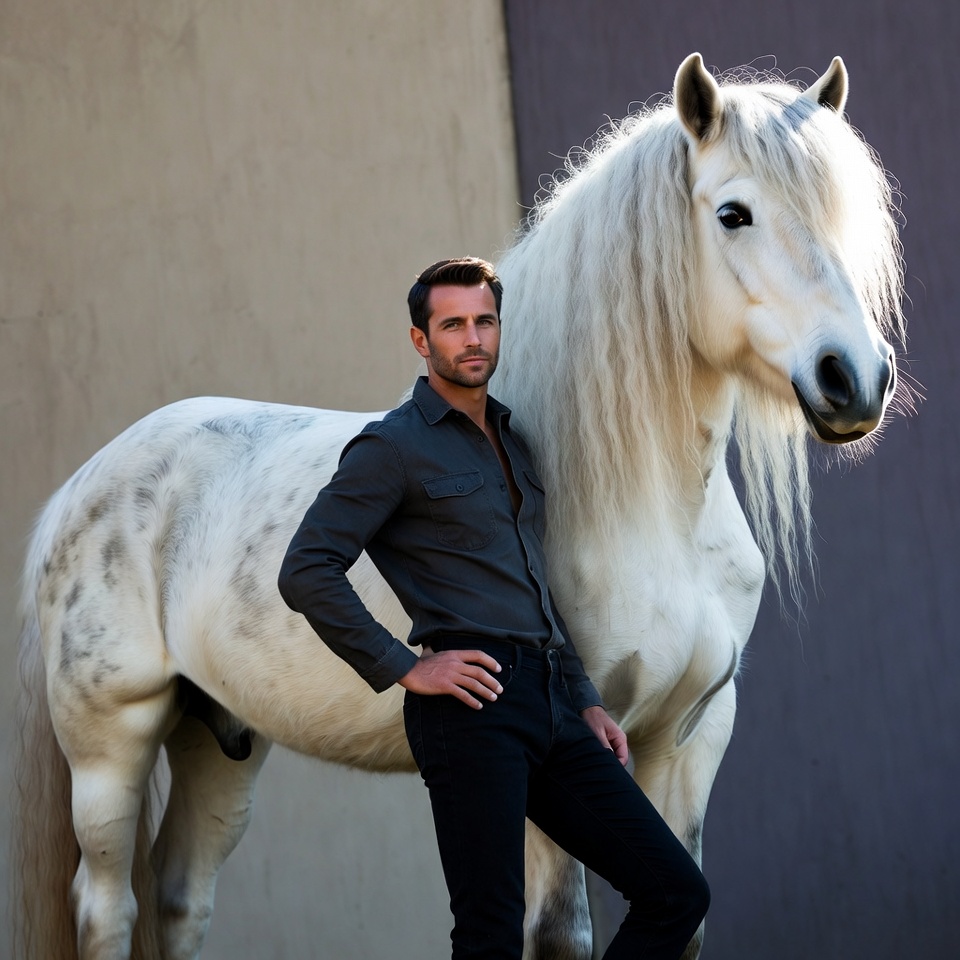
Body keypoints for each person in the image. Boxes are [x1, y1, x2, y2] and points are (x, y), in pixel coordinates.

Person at [278, 257, 709, 959]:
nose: (472, 338)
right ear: (422, 340)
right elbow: (306, 569)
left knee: (676, 892)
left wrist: (586, 699)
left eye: (484, 321)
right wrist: (403, 668)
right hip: (469, 709)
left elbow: (533, 587)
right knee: (491, 933)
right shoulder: (392, 446)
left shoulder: (514, 442)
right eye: (452, 325)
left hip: (550, 703)